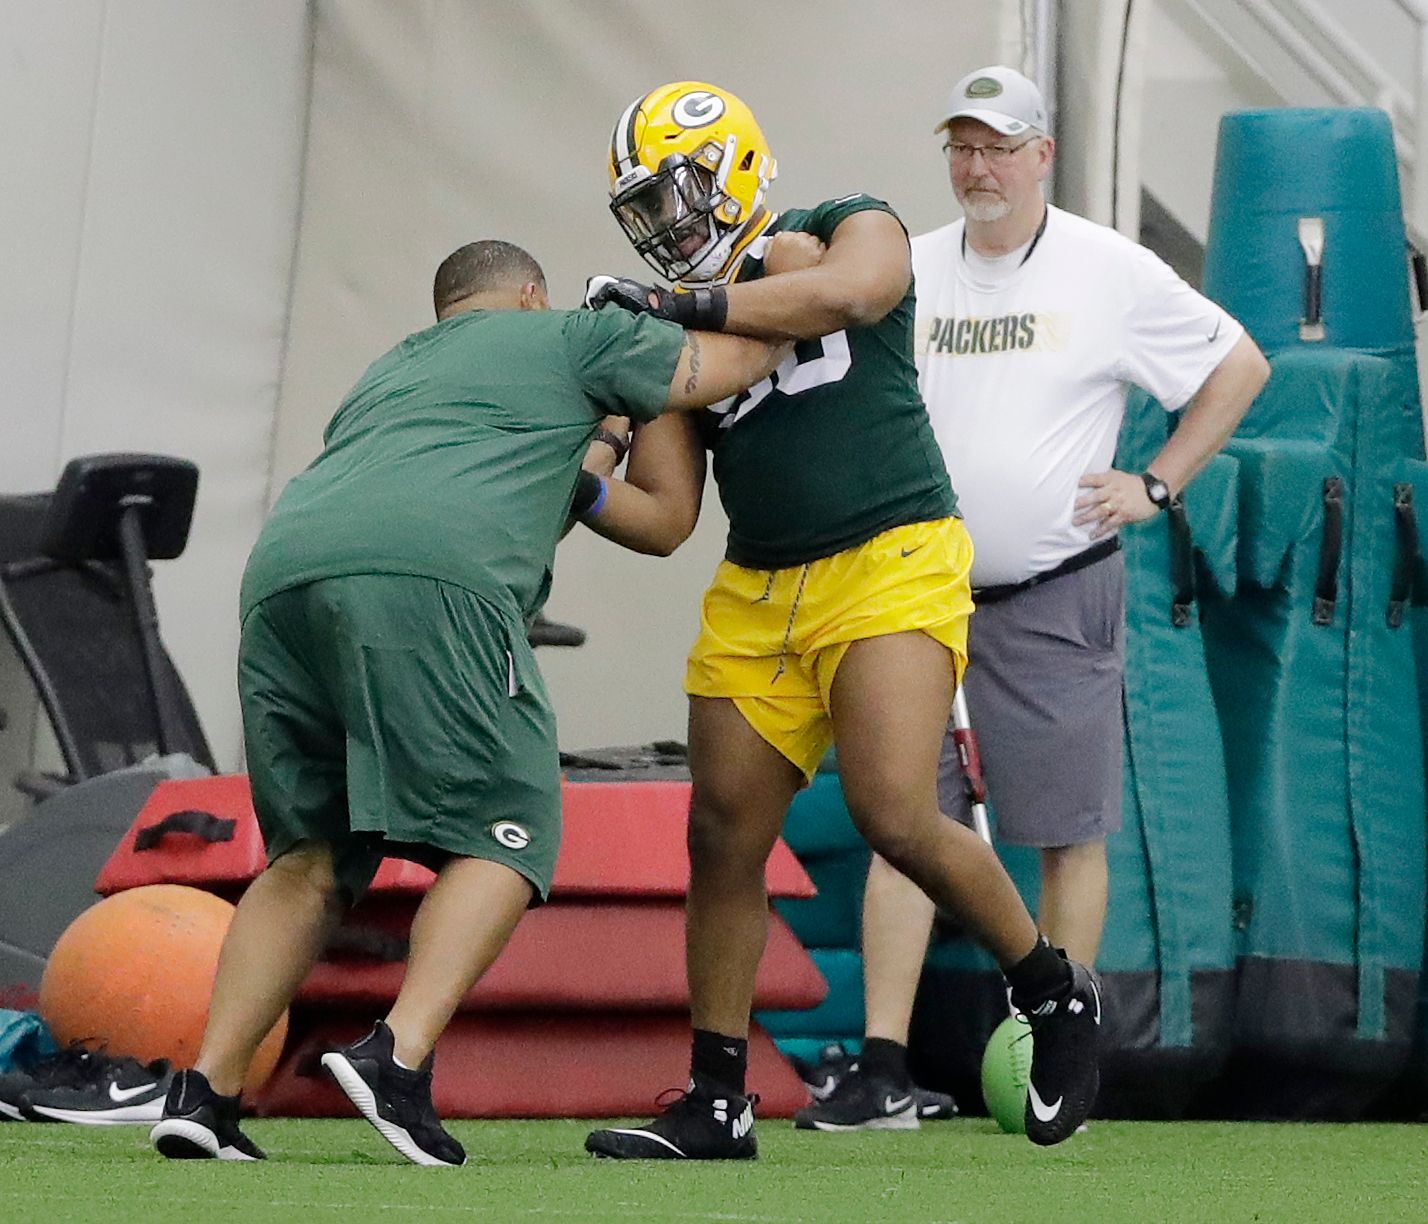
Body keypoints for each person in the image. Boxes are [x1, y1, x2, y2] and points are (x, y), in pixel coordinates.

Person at [147, 239, 791, 1166]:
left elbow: (631, 516)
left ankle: (203, 1093)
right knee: (509, 829)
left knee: (312, 857)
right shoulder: (575, 335)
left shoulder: (392, 372)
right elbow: (739, 359)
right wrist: (730, 299)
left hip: (285, 578)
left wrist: (603, 439)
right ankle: (397, 1058)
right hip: (429, 582)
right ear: (530, 295)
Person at [579, 81, 1102, 1159]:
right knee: (720, 832)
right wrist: (573, 481)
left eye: (677, 195)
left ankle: (1053, 991)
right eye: (648, 210)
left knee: (894, 813)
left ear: (731, 167)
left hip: (891, 554)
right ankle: (717, 1100)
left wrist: (675, 310)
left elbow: (856, 293)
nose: (668, 228)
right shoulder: (690, 319)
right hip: (760, 583)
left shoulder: (840, 223)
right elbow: (668, 516)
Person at [795, 65, 1270, 1130]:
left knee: (1066, 829)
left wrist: (1158, 483)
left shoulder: (1109, 269)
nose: (979, 167)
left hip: (1055, 589)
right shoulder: (905, 269)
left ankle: (1063, 1052)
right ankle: (880, 1066)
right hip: (914, 598)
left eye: (1000, 146)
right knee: (905, 822)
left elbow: (1240, 366)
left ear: (1042, 154)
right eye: (963, 147)